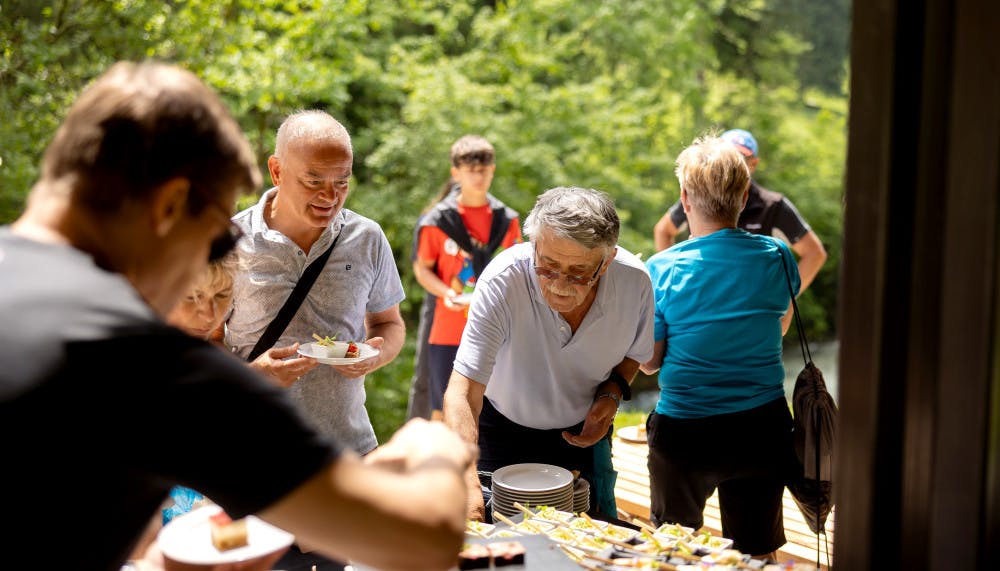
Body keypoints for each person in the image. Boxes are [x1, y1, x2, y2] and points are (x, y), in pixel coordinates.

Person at [0, 60, 473, 571]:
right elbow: (424, 539)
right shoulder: (144, 361)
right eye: (218, 237)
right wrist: (434, 450)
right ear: (170, 206)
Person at [443, 186, 655, 522]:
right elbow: (463, 392)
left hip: (581, 435)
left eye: (578, 274)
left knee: (581, 537)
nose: (558, 285)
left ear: (607, 260)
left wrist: (612, 394)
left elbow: (634, 353)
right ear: (533, 246)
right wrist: (466, 485)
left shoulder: (635, 283)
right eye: (547, 266)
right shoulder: (503, 281)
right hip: (499, 428)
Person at [640, 135, 800, 559]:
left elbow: (651, 363)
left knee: (676, 550)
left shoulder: (661, 268)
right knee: (756, 551)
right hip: (762, 428)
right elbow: (778, 326)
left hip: (686, 432)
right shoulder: (779, 256)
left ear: (685, 199)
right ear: (745, 197)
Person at [223, 110, 406, 455]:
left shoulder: (366, 237)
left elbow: (389, 322)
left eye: (342, 182)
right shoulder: (229, 242)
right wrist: (252, 374)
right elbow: (201, 340)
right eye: (314, 181)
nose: (330, 196)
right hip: (250, 450)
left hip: (350, 448)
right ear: (277, 171)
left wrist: (376, 357)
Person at [412, 135, 521, 418]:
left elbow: (518, 267)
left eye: (483, 169)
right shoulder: (437, 220)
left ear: (492, 169)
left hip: (495, 326)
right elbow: (422, 268)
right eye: (471, 170)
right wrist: (445, 292)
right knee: (443, 409)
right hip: (448, 327)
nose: (478, 176)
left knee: (492, 409)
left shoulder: (506, 220)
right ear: (455, 172)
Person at [652, 128, 827, 294]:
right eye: (727, 157)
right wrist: (672, 282)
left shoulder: (773, 205)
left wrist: (785, 300)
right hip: (702, 292)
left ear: (753, 164)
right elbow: (663, 230)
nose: (730, 166)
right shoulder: (700, 192)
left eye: (740, 157)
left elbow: (814, 253)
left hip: (750, 302)